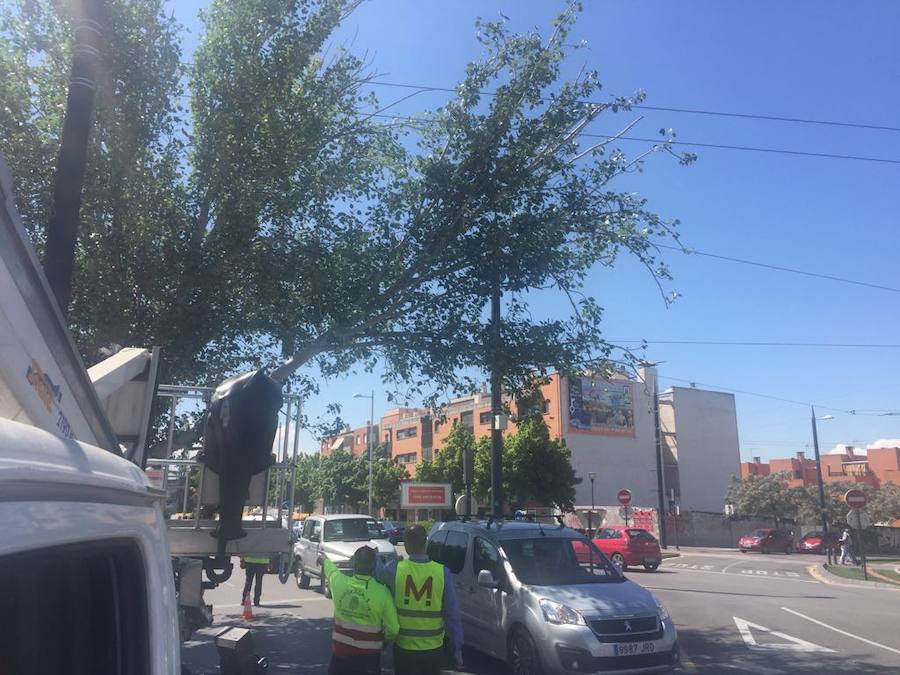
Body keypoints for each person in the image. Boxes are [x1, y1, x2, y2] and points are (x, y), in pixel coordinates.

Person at [377, 525, 464, 675]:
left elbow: (378, 574)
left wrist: (376, 558)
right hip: (433, 650)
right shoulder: (442, 572)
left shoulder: (396, 569)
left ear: (407, 544)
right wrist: (457, 650)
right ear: (426, 543)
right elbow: (452, 615)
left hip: (404, 648)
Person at [325, 545, 399, 675]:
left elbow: (330, 569)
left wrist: (322, 560)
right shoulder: (383, 593)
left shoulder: (339, 582)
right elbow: (393, 629)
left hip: (340, 658)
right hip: (369, 660)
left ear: (354, 564)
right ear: (374, 566)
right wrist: (384, 643)